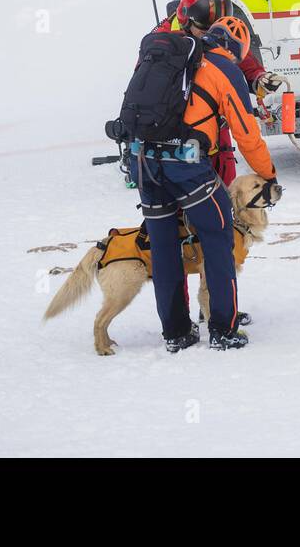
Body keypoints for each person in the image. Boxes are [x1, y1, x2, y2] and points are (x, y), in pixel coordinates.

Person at [115, 24, 281, 352]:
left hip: (142, 161)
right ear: (235, 50)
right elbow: (246, 134)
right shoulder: (224, 68)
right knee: (219, 236)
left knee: (164, 247)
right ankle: (223, 328)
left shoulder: (174, 59)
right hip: (185, 164)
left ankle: (176, 332)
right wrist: (268, 174)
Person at [154, 0, 287, 186]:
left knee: (224, 178)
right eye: (205, 30)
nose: (210, 37)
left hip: (212, 122)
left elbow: (232, 53)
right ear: (186, 20)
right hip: (173, 129)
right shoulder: (162, 39)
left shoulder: (210, 40)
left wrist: (258, 77)